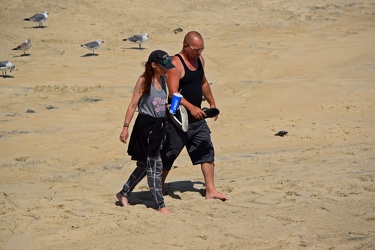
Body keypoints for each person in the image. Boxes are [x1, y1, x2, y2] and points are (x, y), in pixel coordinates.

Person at [161, 31, 228, 201]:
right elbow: (173, 94)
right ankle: (158, 186)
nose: (200, 53)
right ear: (185, 46)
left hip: (198, 118)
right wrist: (191, 108)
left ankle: (210, 190)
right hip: (178, 119)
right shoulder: (175, 64)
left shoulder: (199, 60)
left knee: (206, 150)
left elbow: (203, 82)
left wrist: (212, 104)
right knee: (169, 154)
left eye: (202, 49)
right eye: (197, 50)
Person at [116, 50, 175, 214]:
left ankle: (123, 193)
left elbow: (160, 104)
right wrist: (125, 127)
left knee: (144, 165)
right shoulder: (143, 81)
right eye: (163, 67)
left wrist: (169, 107)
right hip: (146, 127)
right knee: (155, 166)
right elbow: (133, 105)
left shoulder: (164, 80)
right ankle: (160, 205)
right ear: (153, 65)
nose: (166, 69)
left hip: (160, 126)